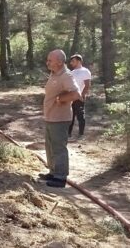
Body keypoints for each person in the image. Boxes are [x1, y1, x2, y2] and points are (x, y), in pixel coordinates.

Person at [39, 49, 81, 188]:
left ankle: (60, 177)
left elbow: (76, 94)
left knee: (58, 148)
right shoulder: (54, 74)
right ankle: (53, 172)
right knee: (50, 146)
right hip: (50, 117)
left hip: (60, 118)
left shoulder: (66, 76)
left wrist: (61, 99)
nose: (47, 63)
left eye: (50, 60)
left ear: (59, 62)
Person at [68, 54, 91, 140]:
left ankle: (81, 134)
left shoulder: (85, 71)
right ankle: (68, 134)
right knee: (70, 116)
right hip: (70, 97)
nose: (71, 63)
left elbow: (87, 85)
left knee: (80, 115)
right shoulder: (72, 72)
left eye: (73, 61)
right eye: (71, 61)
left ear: (79, 61)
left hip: (79, 97)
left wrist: (82, 95)